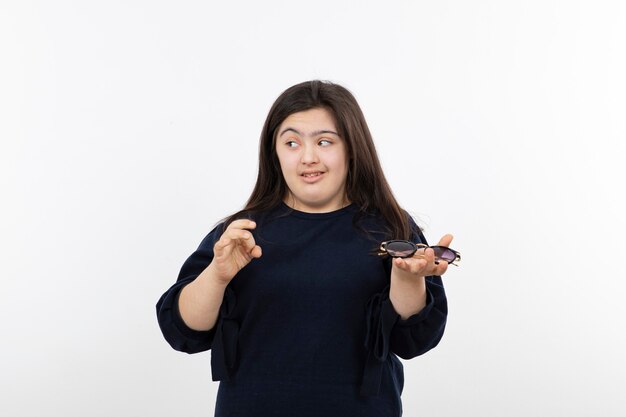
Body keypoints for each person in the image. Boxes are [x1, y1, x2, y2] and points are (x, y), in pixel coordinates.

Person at [156, 80, 454, 417]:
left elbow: (414, 340)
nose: (308, 157)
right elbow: (183, 331)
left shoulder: (391, 229)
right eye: (292, 143)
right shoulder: (241, 235)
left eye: (324, 142)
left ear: (351, 149)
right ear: (275, 152)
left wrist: (408, 280)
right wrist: (217, 275)